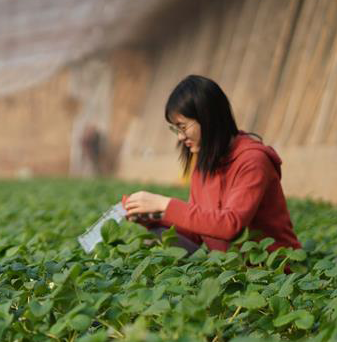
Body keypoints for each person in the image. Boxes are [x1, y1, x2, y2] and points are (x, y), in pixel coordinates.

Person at [123, 75, 301, 253]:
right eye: (175, 129)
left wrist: (165, 204)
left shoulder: (253, 161)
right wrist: (152, 218)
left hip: (274, 272)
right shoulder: (205, 161)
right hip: (231, 270)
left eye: (183, 127)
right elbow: (197, 233)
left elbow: (230, 225)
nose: (180, 137)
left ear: (208, 118)